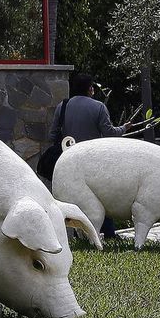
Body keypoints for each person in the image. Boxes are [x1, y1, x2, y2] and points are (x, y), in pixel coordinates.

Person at [52, 72, 122, 243]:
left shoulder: (62, 106)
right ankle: (109, 232)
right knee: (100, 196)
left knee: (73, 199)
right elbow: (109, 133)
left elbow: (53, 134)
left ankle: (77, 233)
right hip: (94, 163)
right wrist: (124, 128)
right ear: (90, 89)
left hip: (68, 161)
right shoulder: (98, 107)